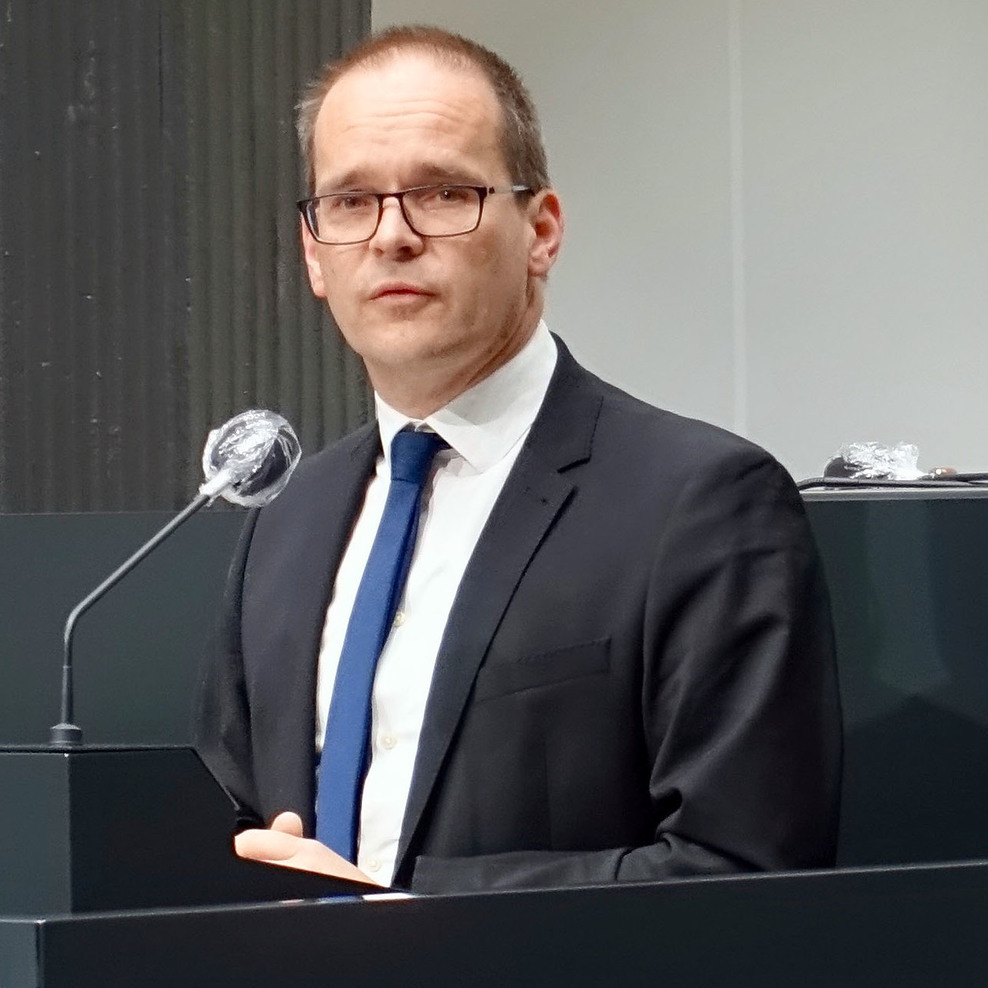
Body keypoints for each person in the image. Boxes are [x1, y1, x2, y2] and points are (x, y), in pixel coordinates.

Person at [195, 25, 841, 894]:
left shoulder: (701, 503)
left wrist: (403, 913)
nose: (391, 236)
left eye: (443, 192)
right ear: (314, 254)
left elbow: (746, 871)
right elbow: (234, 828)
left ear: (541, 230)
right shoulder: (288, 515)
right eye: (350, 202)